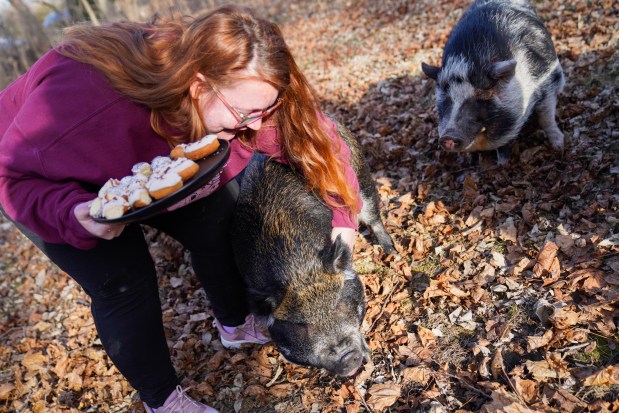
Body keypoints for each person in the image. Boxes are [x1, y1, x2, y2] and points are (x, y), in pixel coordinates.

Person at [0, 5, 362, 413]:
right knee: (123, 282)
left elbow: (313, 139)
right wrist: (72, 213)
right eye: (246, 114)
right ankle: (163, 401)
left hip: (163, 152)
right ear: (198, 85)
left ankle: (235, 324)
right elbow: (11, 178)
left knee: (216, 218)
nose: (257, 127)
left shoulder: (245, 94)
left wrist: (343, 212)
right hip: (48, 180)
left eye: (265, 111)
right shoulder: (80, 107)